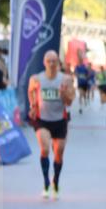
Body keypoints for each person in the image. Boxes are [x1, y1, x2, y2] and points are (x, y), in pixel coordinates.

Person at [27, 50, 75, 199]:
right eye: (49, 61)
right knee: (45, 148)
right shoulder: (36, 79)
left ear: (58, 63)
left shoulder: (66, 79)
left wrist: (63, 94)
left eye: (54, 61)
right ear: (44, 63)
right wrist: (33, 105)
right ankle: (46, 182)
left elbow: (70, 102)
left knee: (59, 153)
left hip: (60, 120)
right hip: (43, 120)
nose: (52, 64)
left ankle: (56, 182)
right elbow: (31, 92)